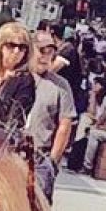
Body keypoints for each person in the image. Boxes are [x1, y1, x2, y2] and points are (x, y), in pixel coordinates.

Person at [25, 27, 77, 201]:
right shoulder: (19, 77)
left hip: (40, 156)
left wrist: (52, 161)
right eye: (41, 51)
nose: (45, 56)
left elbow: (65, 124)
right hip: (12, 155)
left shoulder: (60, 85)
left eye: (50, 52)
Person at [0, 22, 36, 128]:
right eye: (11, 45)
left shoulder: (25, 80)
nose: (16, 51)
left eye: (22, 47)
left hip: (2, 138)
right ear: (0, 46)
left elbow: (16, 118)